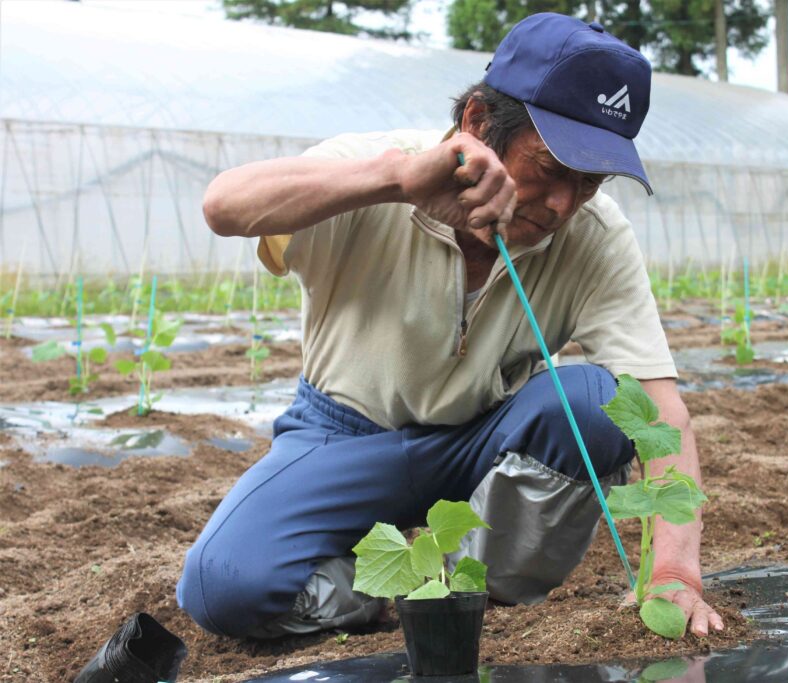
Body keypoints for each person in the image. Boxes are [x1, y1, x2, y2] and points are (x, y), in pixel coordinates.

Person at [177, 12, 723, 640]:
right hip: (343, 437)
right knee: (224, 587)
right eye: (549, 169)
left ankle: (469, 592)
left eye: (591, 182)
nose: (564, 204)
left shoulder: (595, 238)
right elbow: (224, 206)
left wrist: (676, 571)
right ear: (477, 122)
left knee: (601, 404)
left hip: (484, 441)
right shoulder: (374, 171)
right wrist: (395, 181)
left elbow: (661, 413)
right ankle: (387, 589)